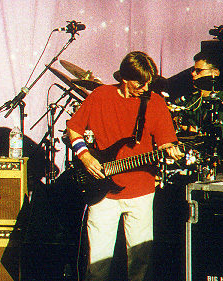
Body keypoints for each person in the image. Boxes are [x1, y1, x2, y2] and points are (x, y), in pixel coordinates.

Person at [65, 51, 183, 281]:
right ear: (125, 79)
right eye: (141, 82)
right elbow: (74, 128)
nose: (146, 87)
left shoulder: (155, 102)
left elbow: (166, 140)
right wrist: (86, 157)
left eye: (150, 82)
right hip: (102, 191)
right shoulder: (100, 95)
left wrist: (171, 150)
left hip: (141, 191)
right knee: (98, 261)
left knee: (141, 261)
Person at [173, 51, 223, 177]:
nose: (193, 74)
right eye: (193, 70)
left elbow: (221, 135)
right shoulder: (190, 100)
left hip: (212, 162)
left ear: (214, 73)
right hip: (187, 158)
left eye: (198, 71)